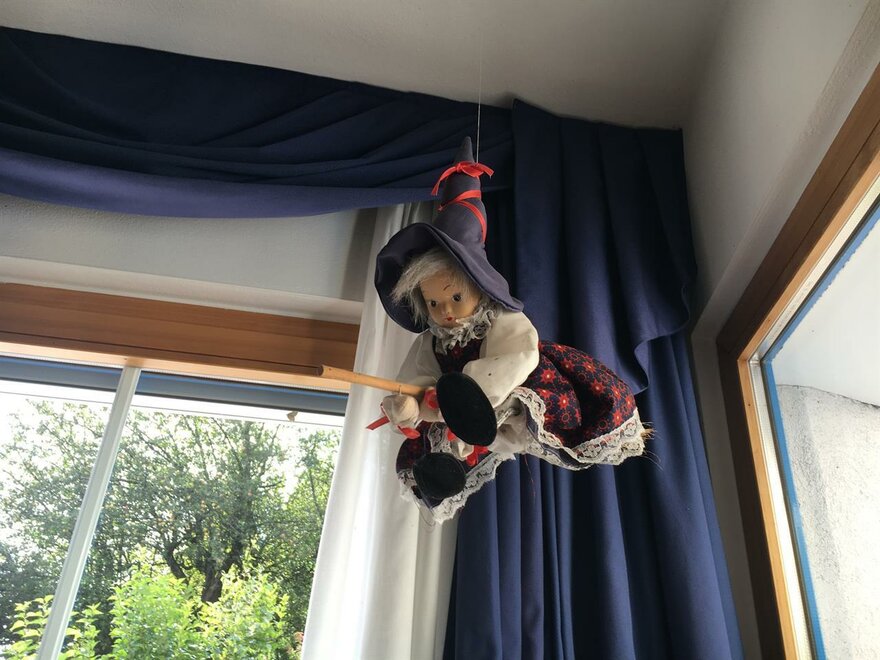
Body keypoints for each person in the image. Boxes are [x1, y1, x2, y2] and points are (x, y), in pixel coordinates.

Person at [373, 137, 647, 521]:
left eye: (455, 298)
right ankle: (449, 464)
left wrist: (464, 394)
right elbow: (418, 376)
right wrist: (411, 403)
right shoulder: (433, 340)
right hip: (460, 410)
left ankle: (465, 435)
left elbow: (516, 355)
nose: (444, 311)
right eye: (433, 303)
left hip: (508, 389)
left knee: (524, 409)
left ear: (479, 288)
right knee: (440, 438)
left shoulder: (499, 321)